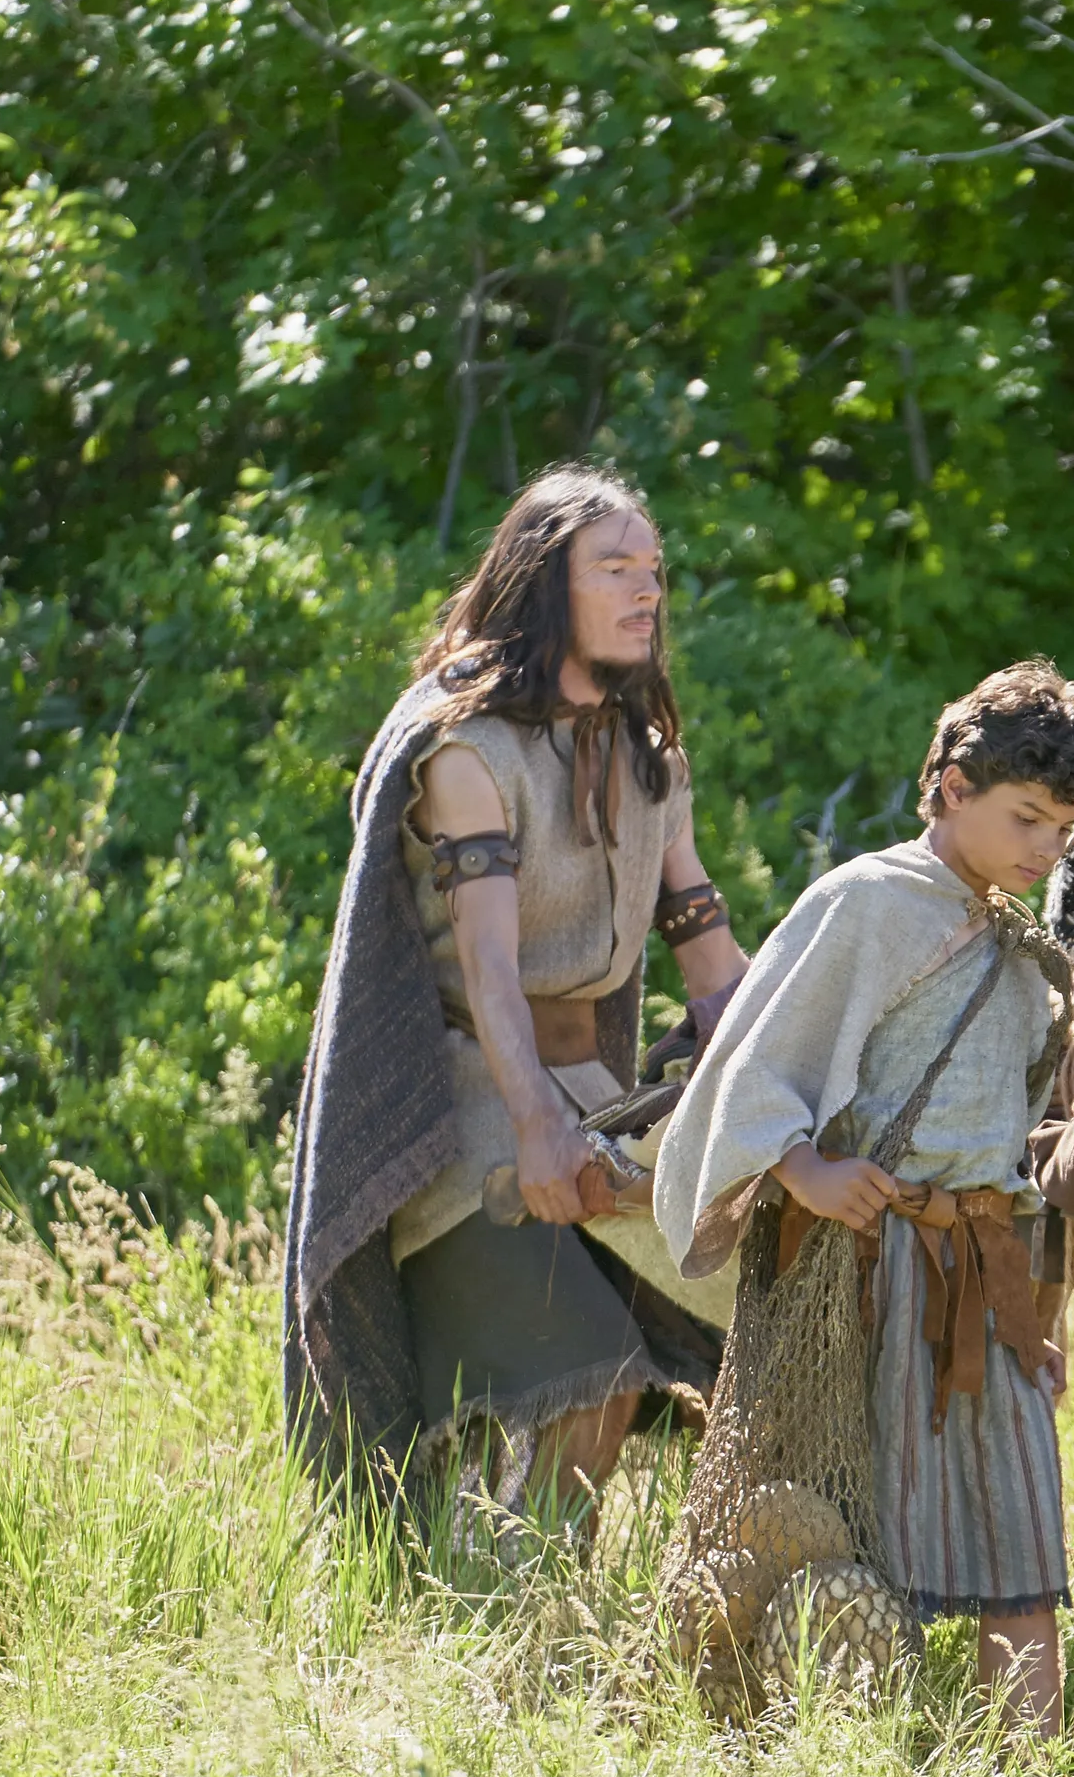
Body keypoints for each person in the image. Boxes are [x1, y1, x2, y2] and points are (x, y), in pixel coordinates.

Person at [281, 464, 749, 1527]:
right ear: (546, 584)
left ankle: (533, 1616)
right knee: (594, 1376)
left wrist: (802, 1085)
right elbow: (488, 971)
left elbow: (715, 969)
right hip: (466, 1110)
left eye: (655, 570)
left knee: (703, 1347)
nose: (647, 592)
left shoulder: (653, 763)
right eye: (614, 568)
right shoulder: (466, 751)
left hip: (594, 1096)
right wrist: (538, 1127)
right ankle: (517, 1624)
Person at [653, 662, 1074, 1735]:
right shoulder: (866, 903)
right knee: (852, 1528)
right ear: (952, 786)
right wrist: (804, 1169)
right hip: (863, 1273)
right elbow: (754, 1064)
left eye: (1062, 829)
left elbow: (1022, 1151)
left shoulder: (1025, 947)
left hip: (982, 1280)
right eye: (1027, 819)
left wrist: (1038, 1316)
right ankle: (829, 1744)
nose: (1046, 850)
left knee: (1023, 1544)